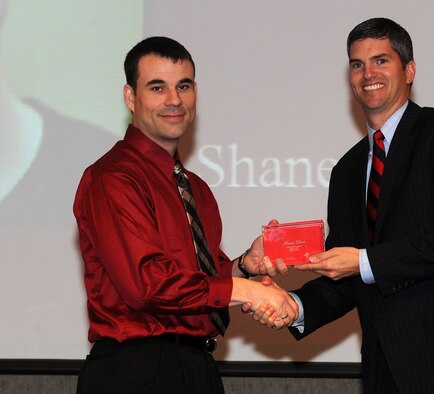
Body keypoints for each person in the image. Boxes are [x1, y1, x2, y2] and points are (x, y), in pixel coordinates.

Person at [251, 17, 434, 393]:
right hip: (384, 369)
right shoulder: (346, 170)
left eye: (381, 60)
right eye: (357, 64)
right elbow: (346, 279)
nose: (367, 73)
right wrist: (294, 306)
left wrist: (363, 261)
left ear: (409, 70)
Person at [73, 36, 297, 394]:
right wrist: (248, 293)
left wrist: (243, 266)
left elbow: (195, 280)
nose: (174, 100)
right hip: (136, 372)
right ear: (131, 97)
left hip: (197, 367)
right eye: (157, 87)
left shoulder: (197, 188)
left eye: (184, 86)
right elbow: (148, 286)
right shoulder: (114, 177)